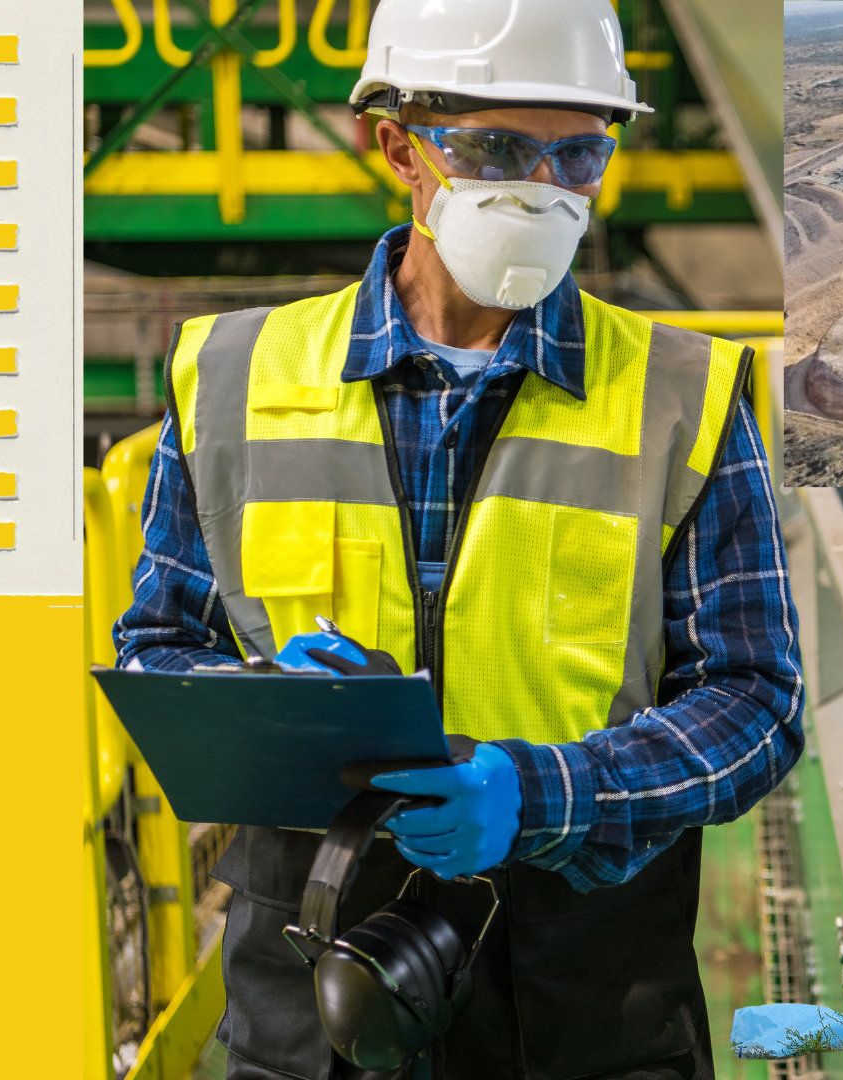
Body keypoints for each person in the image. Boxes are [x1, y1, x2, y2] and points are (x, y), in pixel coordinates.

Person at [113, 2, 803, 1077]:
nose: (543, 187)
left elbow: (756, 702)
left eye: (579, 154)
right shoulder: (235, 379)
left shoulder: (682, 395)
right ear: (399, 147)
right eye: (496, 149)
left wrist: (544, 792)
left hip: (584, 995)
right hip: (316, 980)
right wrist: (262, 696)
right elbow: (159, 647)